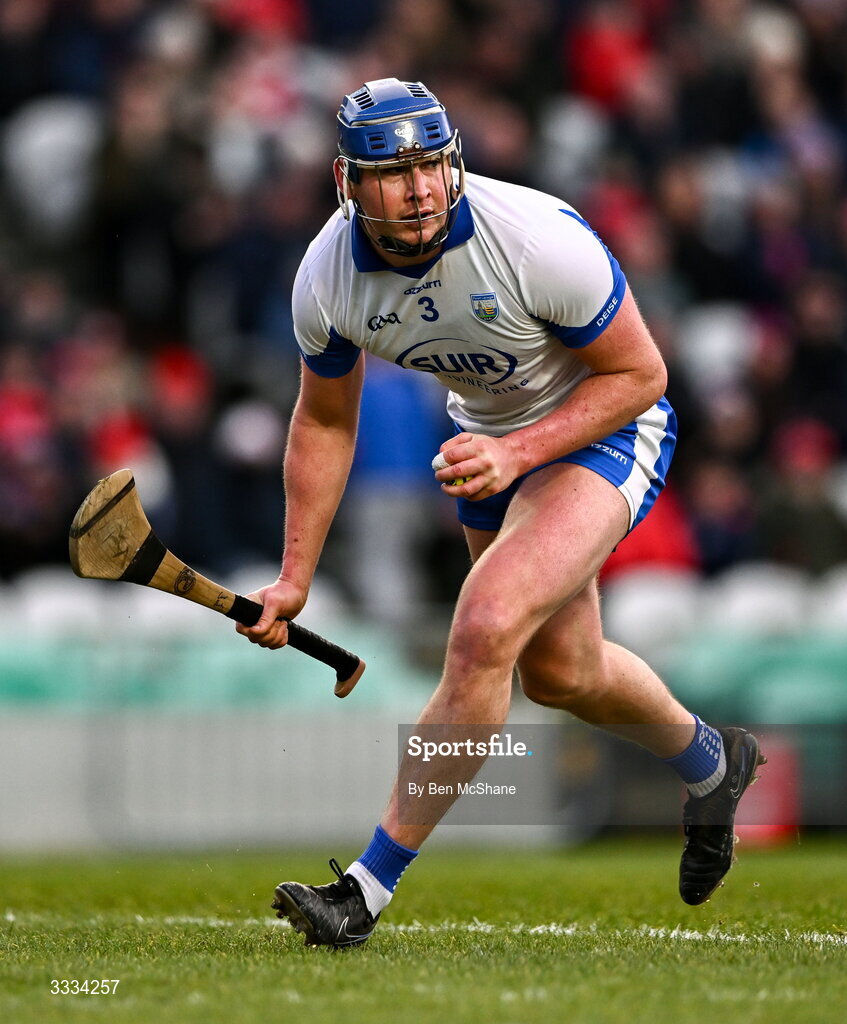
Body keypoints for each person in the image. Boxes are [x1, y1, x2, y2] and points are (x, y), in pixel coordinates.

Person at [236, 78, 764, 947]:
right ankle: (713, 763)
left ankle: (364, 891)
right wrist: (295, 578)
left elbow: (642, 375)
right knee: (561, 674)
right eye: (394, 172)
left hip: (606, 427)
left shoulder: (534, 239)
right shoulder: (326, 280)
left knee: (482, 625)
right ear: (346, 181)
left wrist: (520, 452)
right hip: (490, 444)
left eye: (431, 166)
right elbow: (326, 420)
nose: (420, 190)